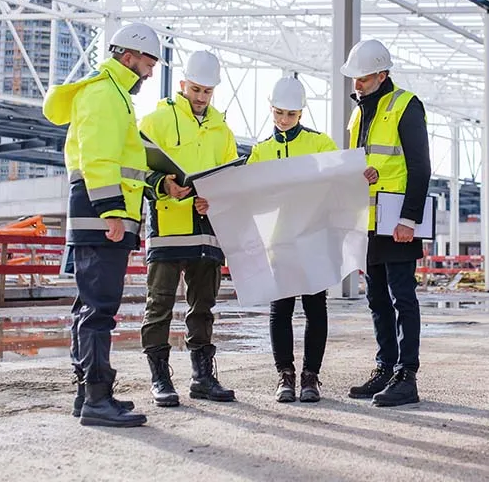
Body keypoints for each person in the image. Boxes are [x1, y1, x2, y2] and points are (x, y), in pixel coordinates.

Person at [42, 22, 160, 427]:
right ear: (128, 56)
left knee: (90, 306)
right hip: (101, 215)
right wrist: (111, 211)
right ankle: (96, 399)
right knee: (99, 309)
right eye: (148, 61)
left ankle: (88, 394)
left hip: (101, 214)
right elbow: (97, 157)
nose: (150, 70)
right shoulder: (104, 93)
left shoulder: (113, 95)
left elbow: (124, 159)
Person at [139, 50, 238, 406]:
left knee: (203, 307)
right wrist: (162, 184)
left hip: (207, 229)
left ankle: (203, 377)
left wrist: (216, 198)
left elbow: (230, 180)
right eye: (195, 89)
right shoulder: (156, 121)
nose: (200, 97)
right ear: (182, 84)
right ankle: (160, 378)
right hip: (168, 226)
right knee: (160, 304)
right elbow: (135, 168)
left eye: (207, 91)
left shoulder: (222, 131)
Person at [342, 39, 431, 407]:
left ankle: (406, 375)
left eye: (362, 78)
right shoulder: (359, 114)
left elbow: (420, 166)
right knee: (377, 299)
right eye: (354, 79)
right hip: (370, 222)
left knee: (402, 297)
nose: (357, 85)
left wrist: (410, 219)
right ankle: (385, 366)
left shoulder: (406, 106)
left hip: (397, 221)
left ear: (382, 74)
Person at [246, 76, 339, 403]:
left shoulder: (321, 144)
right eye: (279, 113)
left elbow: (338, 184)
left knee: (316, 308)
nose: (284, 120)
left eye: (291, 114)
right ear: (271, 109)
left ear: (301, 113)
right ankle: (284, 375)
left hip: (314, 240)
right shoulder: (260, 151)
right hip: (279, 243)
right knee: (281, 309)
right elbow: (248, 197)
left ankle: (310, 377)